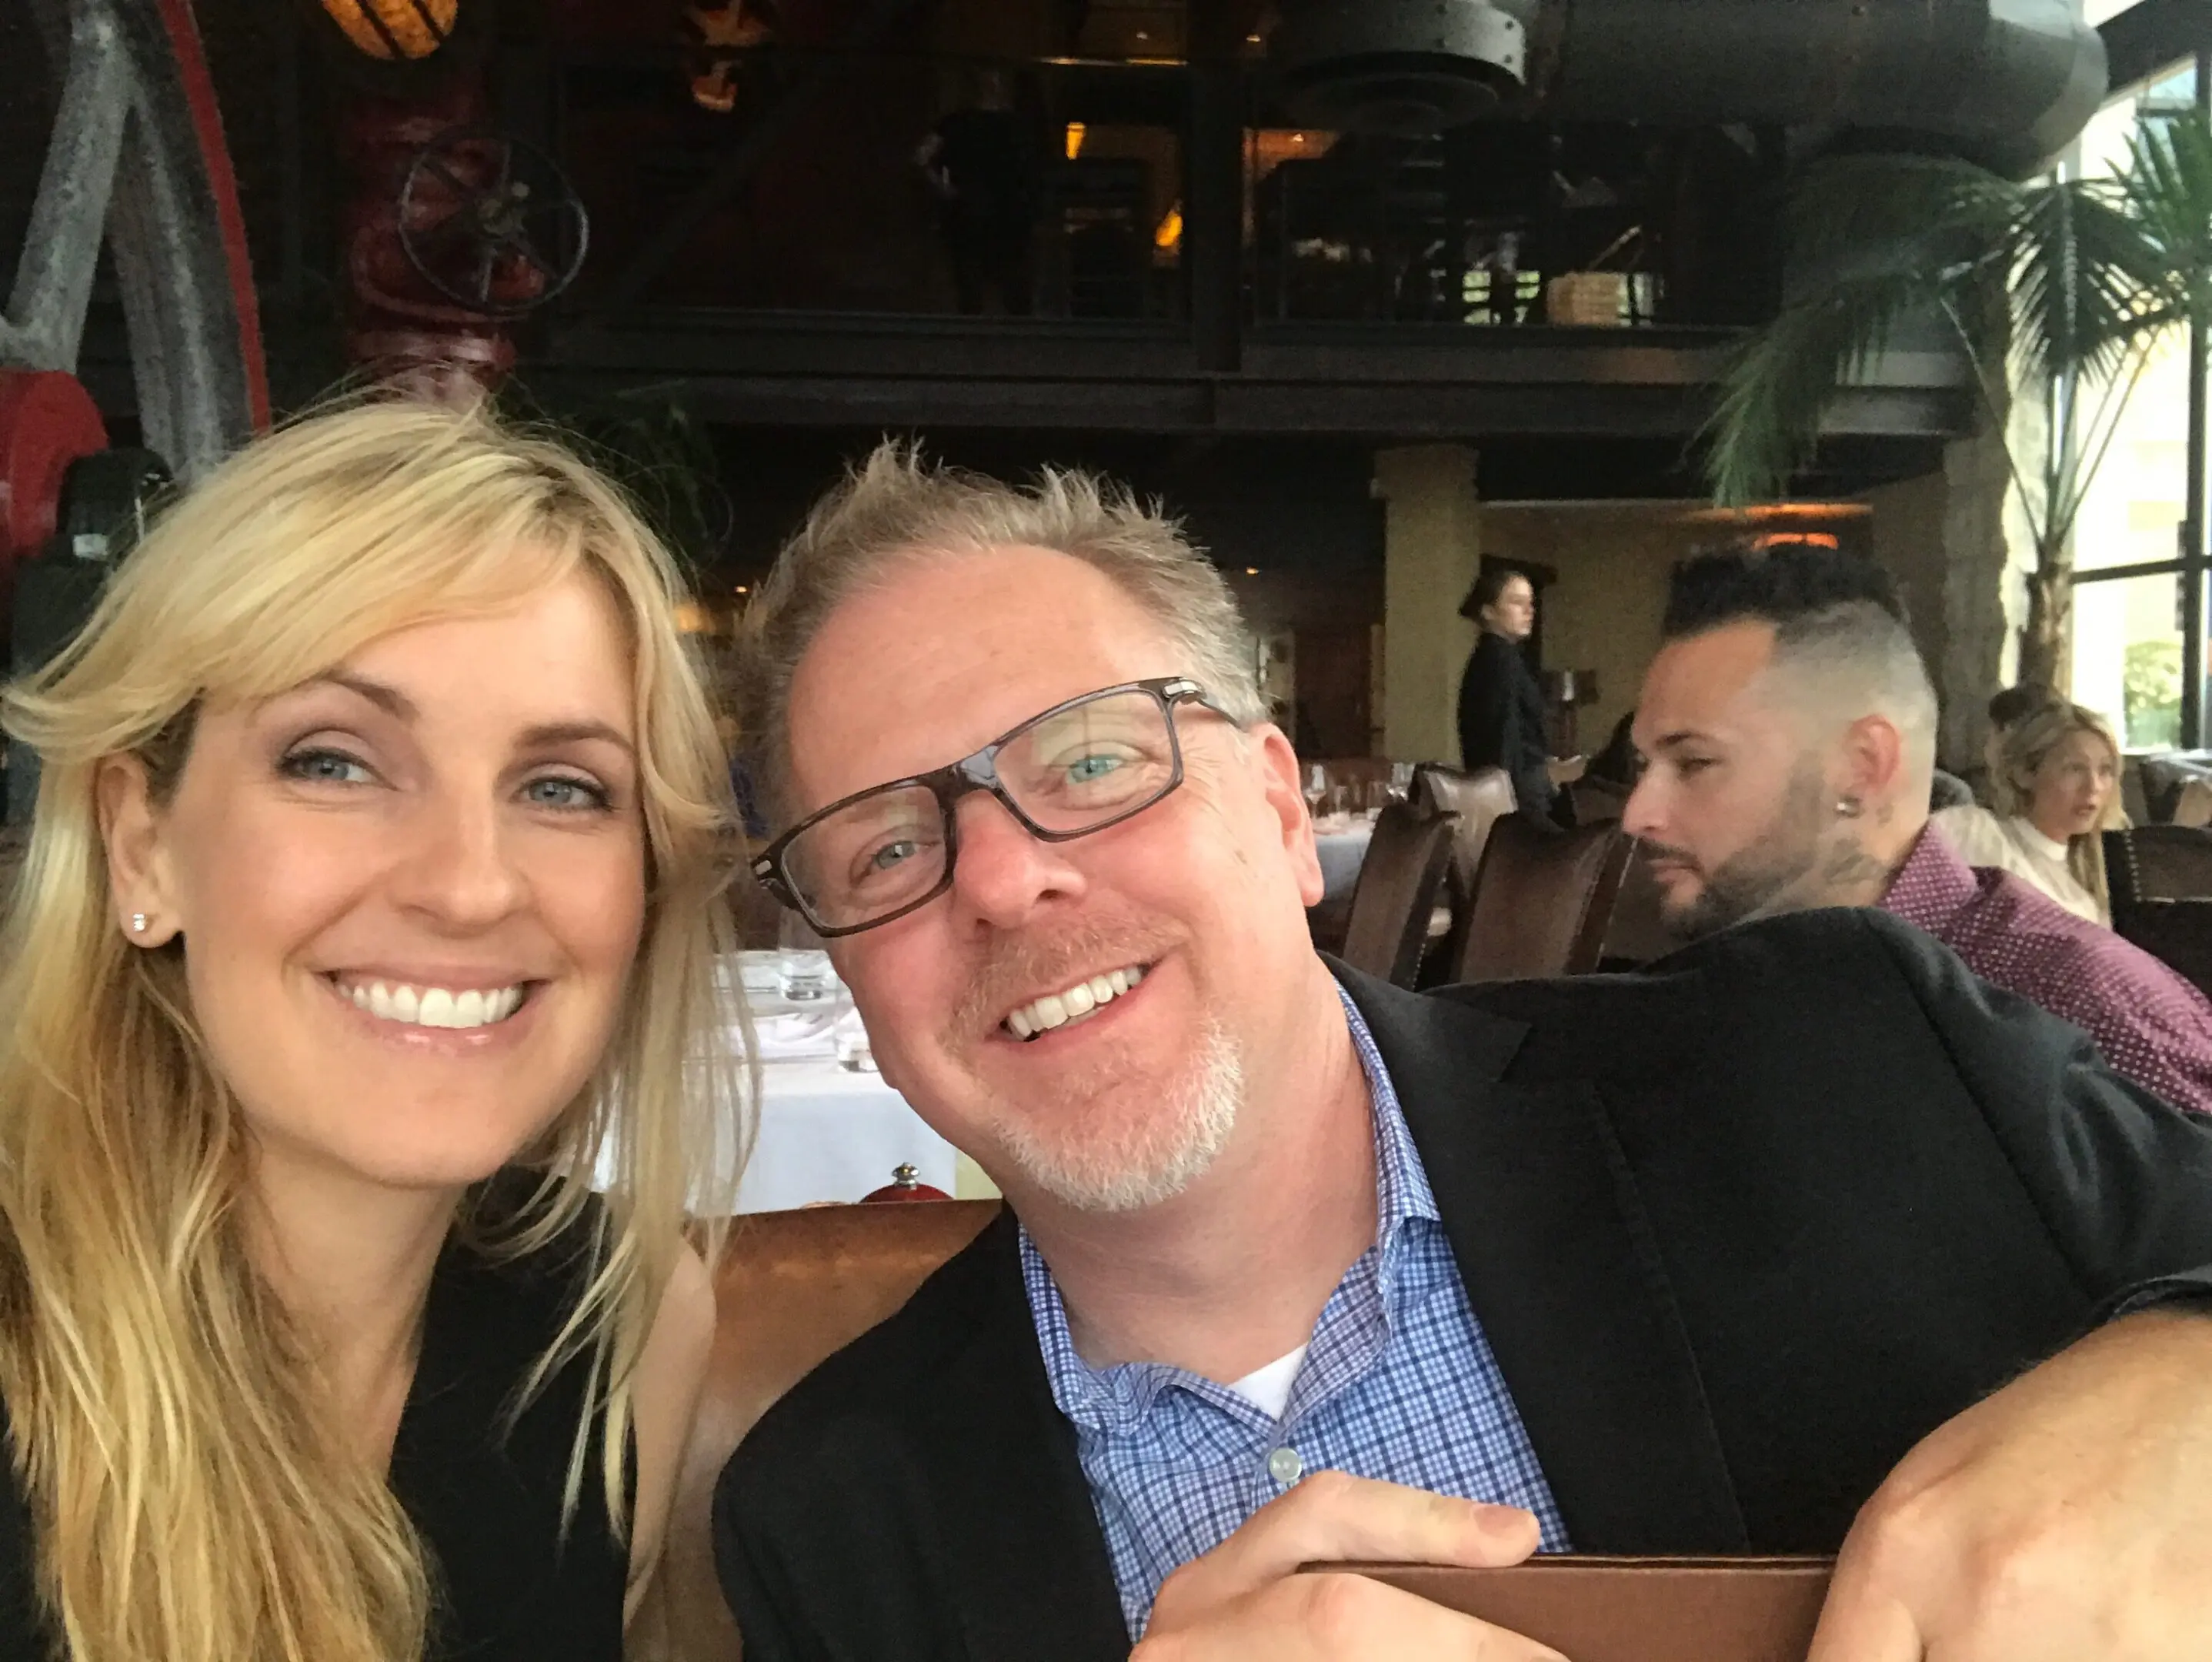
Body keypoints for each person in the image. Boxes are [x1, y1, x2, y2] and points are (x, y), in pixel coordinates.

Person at [714, 446, 2212, 1661]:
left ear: (1281, 813)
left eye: (1094, 764)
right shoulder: (834, 1525)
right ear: (840, 954)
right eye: (887, 846)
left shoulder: (1841, 1064)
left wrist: (2184, 1379)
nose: (998, 878)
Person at [0, 400, 749, 1661]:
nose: (467, 885)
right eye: (335, 762)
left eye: (562, 788)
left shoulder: (624, 1322)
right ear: (142, 843)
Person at [1622, 542, 2212, 1116]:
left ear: (1860, 766)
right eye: (1643, 765)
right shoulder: (1723, 985)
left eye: (1694, 763)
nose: (1636, 814)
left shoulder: (2080, 1002)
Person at [1935, 699, 2124, 925]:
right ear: (2024, 773)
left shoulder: (2096, 885)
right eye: (2075, 769)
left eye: (2105, 771)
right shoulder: (1973, 832)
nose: (2093, 786)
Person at [1454, 567, 1580, 819]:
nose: (1529, 610)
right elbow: (1502, 739)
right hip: (1520, 799)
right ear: (1488, 611)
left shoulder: (1499, 657)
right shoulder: (1500, 660)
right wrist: (1510, 809)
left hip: (1521, 791)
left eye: (1530, 603)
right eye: (1516, 602)